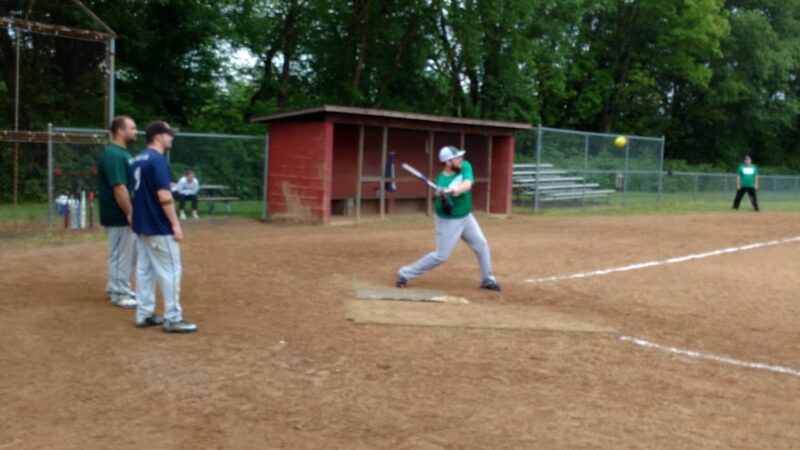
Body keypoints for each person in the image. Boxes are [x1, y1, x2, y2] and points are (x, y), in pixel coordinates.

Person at [396, 146, 501, 291]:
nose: (461, 159)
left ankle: (487, 279)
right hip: (449, 220)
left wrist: (453, 190)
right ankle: (405, 273)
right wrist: (444, 199)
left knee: (481, 245)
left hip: (466, 216)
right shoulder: (442, 182)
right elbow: (447, 210)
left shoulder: (465, 166)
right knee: (441, 256)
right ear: (448, 162)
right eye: (457, 158)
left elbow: (467, 184)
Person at [130, 121, 198, 333]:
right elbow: (163, 195)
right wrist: (175, 224)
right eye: (169, 134)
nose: (172, 137)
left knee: (145, 270)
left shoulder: (137, 159)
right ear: (158, 136)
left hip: (141, 223)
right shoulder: (157, 159)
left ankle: (144, 314)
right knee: (171, 270)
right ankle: (173, 318)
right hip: (158, 225)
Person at [97, 115, 138, 309]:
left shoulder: (123, 153)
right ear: (120, 131)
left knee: (129, 253)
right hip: (118, 215)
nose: (136, 132)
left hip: (123, 214)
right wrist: (129, 213)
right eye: (132, 128)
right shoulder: (114, 155)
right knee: (122, 255)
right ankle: (119, 293)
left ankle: (118, 286)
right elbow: (119, 187)